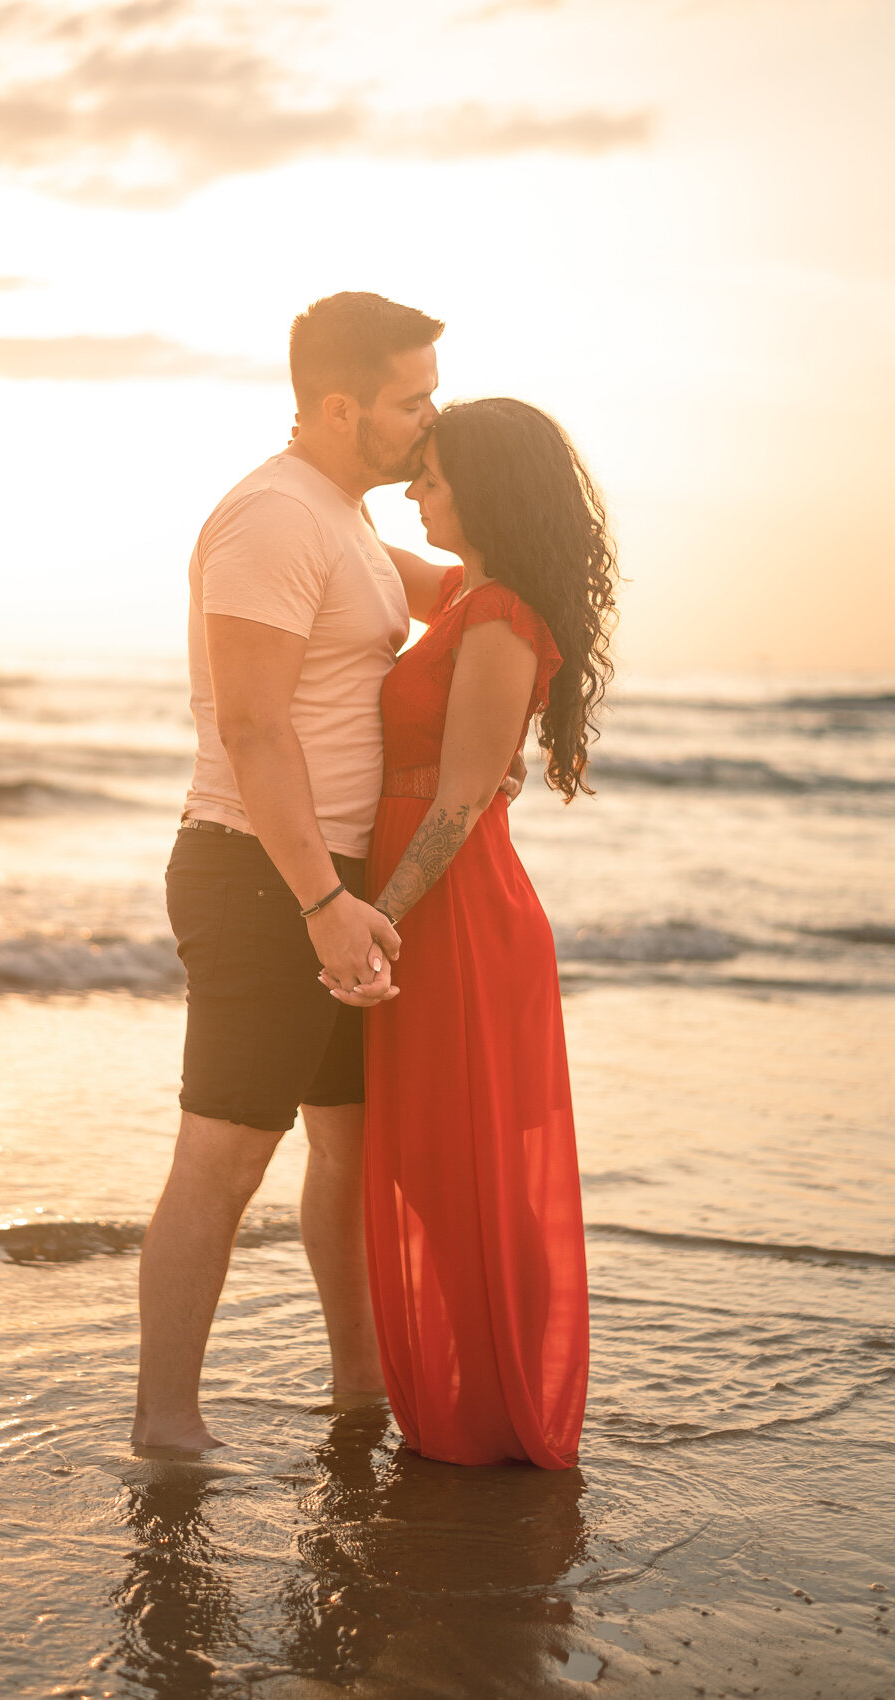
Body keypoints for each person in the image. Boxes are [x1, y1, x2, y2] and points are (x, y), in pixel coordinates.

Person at [132, 293, 526, 1452]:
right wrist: (318, 902)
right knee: (225, 1152)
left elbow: (470, 595)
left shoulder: (348, 518)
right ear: (343, 405)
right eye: (415, 400)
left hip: (338, 884)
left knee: (351, 1152)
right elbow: (255, 731)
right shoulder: (272, 518)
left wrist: (519, 687)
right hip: (262, 876)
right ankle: (166, 1422)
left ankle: (362, 1382)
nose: (430, 419)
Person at [346, 398, 617, 1468]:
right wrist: (334, 462)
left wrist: (377, 926)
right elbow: (355, 543)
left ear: (487, 489)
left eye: (434, 475)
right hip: (431, 906)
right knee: (432, 1165)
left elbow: (458, 802)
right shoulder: (465, 591)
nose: (416, 491)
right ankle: (482, 1382)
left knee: (461, 1167)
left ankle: (509, 1401)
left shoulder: (500, 615)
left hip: (454, 912)